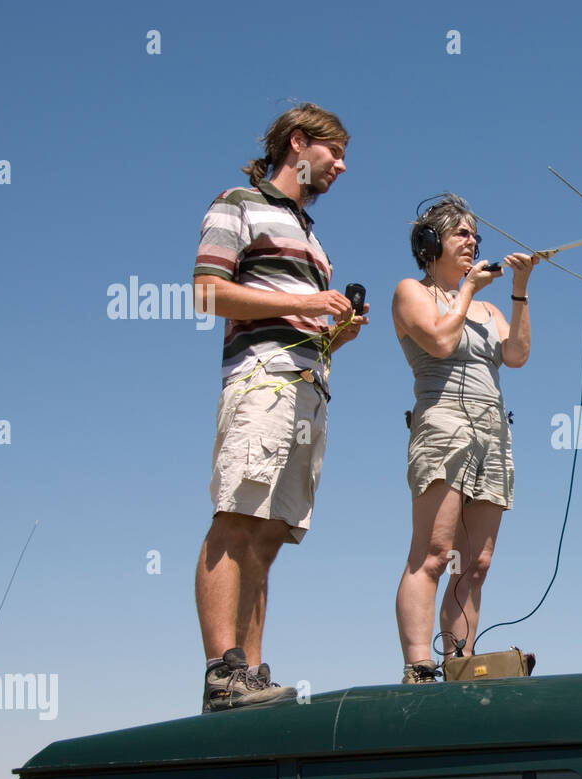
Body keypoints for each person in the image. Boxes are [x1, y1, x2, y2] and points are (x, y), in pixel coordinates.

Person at [192, 103, 367, 713]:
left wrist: (331, 333)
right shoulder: (238, 203)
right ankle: (222, 671)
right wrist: (308, 300)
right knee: (236, 516)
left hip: (308, 384)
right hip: (260, 379)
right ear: (299, 143)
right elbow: (207, 291)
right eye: (335, 153)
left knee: (267, 536)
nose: (342, 167)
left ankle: (251, 678)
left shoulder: (313, 237)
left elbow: (293, 313)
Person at [391, 195, 538, 683]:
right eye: (461, 233)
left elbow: (517, 355)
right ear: (431, 242)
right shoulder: (412, 292)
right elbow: (440, 341)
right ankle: (419, 664)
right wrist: (468, 291)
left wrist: (519, 290)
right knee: (433, 553)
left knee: (476, 562)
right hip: (443, 426)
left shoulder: (490, 307)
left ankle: (461, 664)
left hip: (492, 430)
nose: (472, 241)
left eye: (475, 234)